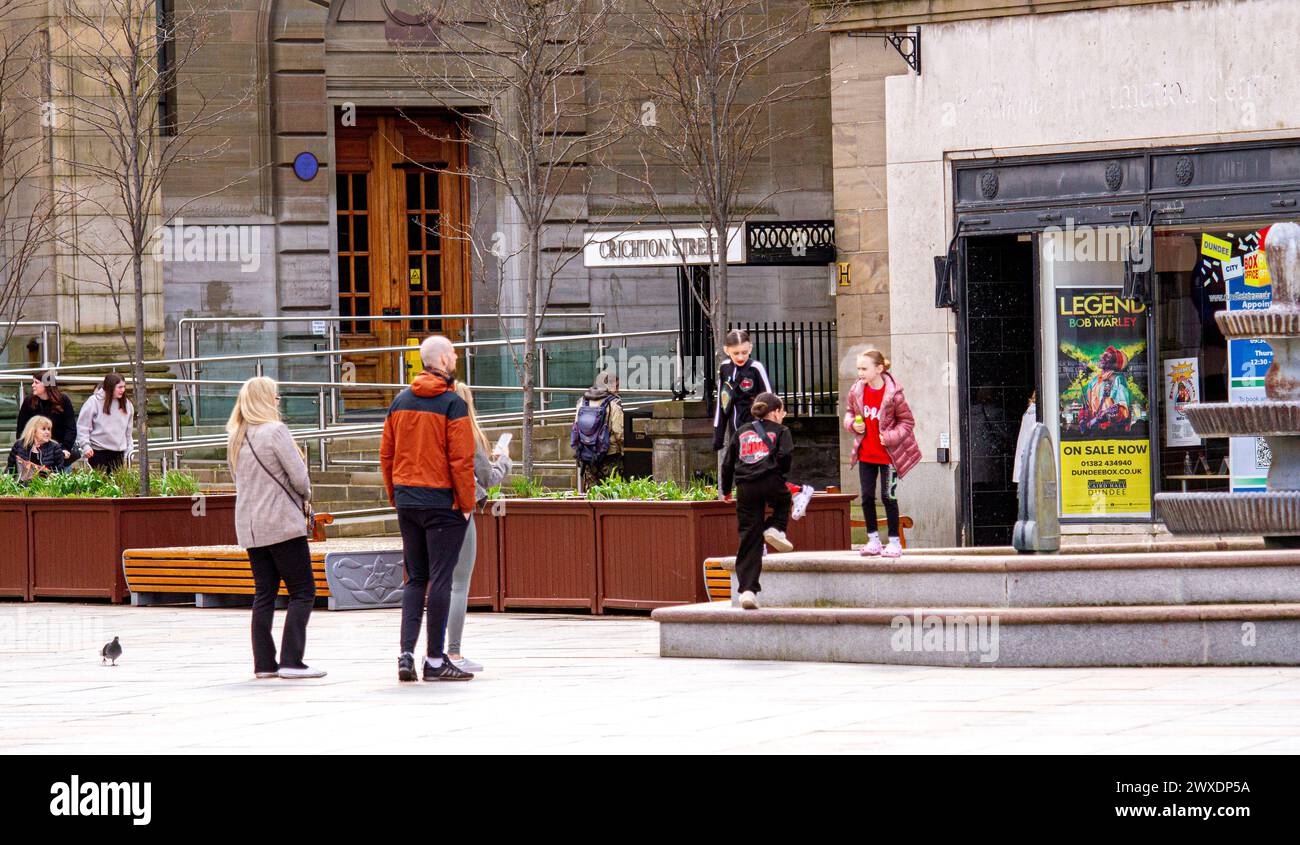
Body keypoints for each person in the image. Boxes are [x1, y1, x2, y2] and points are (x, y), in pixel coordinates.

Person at [381, 334, 477, 683]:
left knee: (415, 578)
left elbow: (387, 454)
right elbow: (461, 459)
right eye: (452, 353)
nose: (455, 358)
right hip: (441, 502)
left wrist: (395, 494)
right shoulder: (453, 405)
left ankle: (406, 654)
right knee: (440, 578)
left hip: (408, 498)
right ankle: (435, 661)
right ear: (440, 360)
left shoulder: (400, 401)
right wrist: (466, 504)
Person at [227, 376, 323, 680]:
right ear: (266, 400)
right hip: (281, 523)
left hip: (251, 527)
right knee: (303, 591)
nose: (278, 402)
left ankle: (264, 664)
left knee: (264, 594)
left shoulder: (236, 437)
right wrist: (306, 496)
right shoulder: (276, 432)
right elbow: (299, 478)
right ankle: (293, 660)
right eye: (276, 397)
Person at [445, 381, 512, 674]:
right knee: (459, 585)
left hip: (430, 509)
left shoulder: (437, 430)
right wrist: (505, 461)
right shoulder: (468, 433)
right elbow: (486, 478)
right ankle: (454, 653)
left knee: (436, 583)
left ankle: (430, 652)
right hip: (459, 511)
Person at [720, 392, 795, 610]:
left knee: (749, 538)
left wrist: (726, 490)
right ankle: (775, 528)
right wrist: (780, 476)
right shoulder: (782, 431)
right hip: (771, 481)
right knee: (784, 500)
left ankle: (747, 590)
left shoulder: (742, 431)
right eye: (783, 410)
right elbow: (786, 456)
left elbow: (727, 462)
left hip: (745, 488)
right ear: (776, 412)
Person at [844, 350, 921, 558]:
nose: (860, 372)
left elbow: (907, 422)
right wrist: (853, 424)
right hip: (865, 454)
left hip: (888, 456)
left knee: (888, 497)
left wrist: (890, 437)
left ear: (879, 369)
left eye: (864, 368)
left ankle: (894, 542)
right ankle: (873, 540)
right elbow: (849, 413)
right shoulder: (857, 390)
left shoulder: (894, 394)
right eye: (858, 368)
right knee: (867, 497)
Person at [712, 329, 773, 452]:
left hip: (755, 428)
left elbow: (770, 401)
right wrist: (718, 435)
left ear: (750, 348)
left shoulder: (756, 368)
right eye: (736, 353)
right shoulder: (724, 368)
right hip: (734, 429)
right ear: (726, 350)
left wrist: (770, 430)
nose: (740, 357)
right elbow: (722, 402)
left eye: (744, 352)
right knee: (738, 464)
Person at [571, 370, 623, 492]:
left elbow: (576, 427)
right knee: (612, 494)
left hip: (587, 456)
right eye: (617, 385)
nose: (618, 389)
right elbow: (620, 433)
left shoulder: (582, 402)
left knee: (592, 494)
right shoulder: (612, 404)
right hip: (610, 455)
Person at [16, 371, 78, 464]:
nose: (33, 385)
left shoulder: (63, 401)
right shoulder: (29, 402)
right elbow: (21, 429)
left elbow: (71, 428)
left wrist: (65, 448)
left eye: (36, 382)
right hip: (34, 456)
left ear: (47, 385)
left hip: (60, 453)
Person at [77, 373, 134, 473]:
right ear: (110, 387)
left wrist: (129, 450)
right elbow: (83, 427)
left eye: (124, 386)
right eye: (119, 387)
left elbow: (128, 432)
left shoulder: (127, 405)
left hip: (118, 453)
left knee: (116, 486)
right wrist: (85, 446)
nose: (123, 390)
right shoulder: (93, 402)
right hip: (97, 452)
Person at [1078, 346, 1133, 436]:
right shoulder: (1093, 381)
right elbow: (1087, 408)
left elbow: (1124, 412)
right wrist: (1083, 419)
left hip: (1111, 433)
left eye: (1107, 356)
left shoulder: (1118, 379)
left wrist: (1108, 416)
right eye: (1104, 355)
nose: (1101, 357)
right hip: (1093, 433)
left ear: (1115, 364)